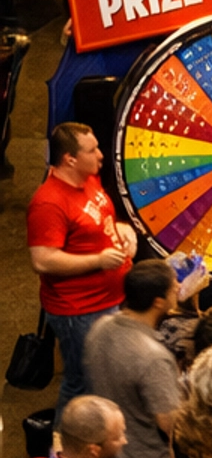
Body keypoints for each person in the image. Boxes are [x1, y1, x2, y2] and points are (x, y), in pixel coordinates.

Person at [25, 120, 133, 414]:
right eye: (92, 150)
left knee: (102, 379)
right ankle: (65, 453)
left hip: (108, 301)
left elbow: (100, 220)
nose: (101, 155)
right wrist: (98, 261)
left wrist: (123, 231)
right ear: (69, 159)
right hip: (80, 311)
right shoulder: (48, 203)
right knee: (82, 385)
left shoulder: (88, 180)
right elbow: (43, 259)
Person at [82, 258, 187, 458]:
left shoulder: (100, 328)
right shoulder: (153, 357)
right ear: (158, 302)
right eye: (174, 287)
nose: (179, 288)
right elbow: (170, 423)